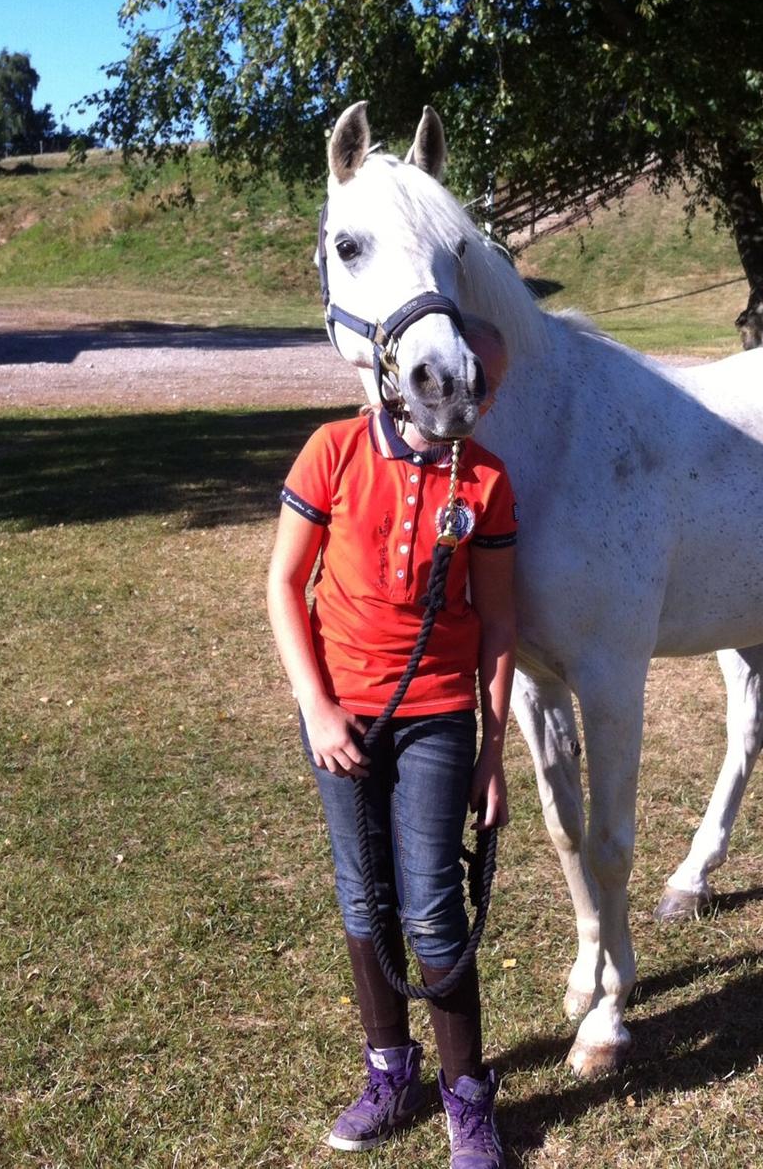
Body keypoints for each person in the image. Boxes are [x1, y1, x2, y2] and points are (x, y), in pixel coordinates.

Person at [266, 320, 517, 1167]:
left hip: (438, 713)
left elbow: (499, 622)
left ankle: (467, 1099)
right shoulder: (333, 450)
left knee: (433, 905)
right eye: (456, 376)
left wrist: (492, 752)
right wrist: (316, 707)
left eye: (485, 384)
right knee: (362, 896)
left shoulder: (486, 480)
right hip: (341, 716)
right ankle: (390, 1073)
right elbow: (283, 583)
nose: (469, 397)